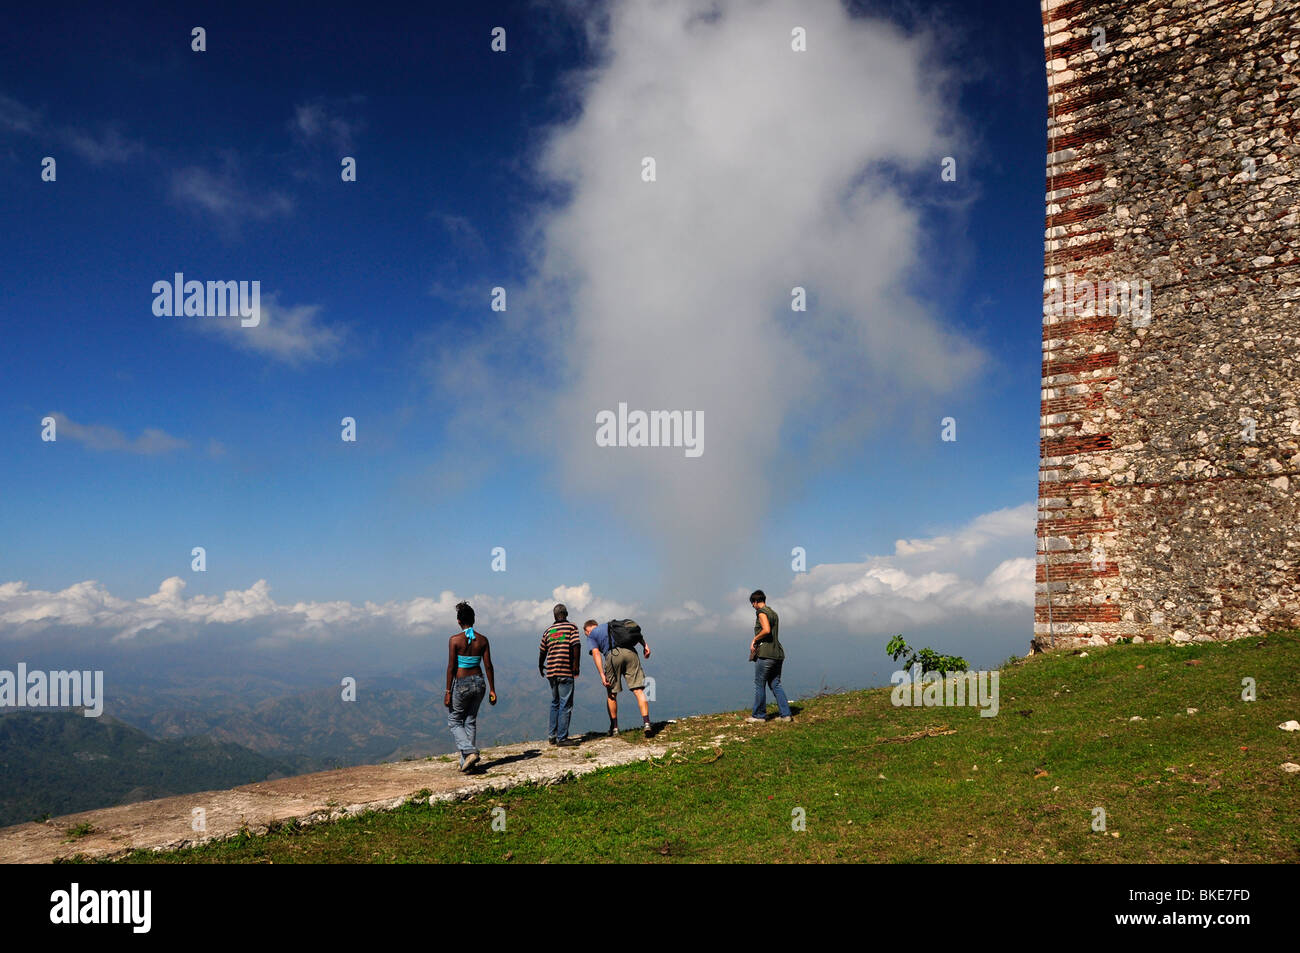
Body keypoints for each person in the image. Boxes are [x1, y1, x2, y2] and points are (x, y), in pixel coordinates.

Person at [444, 601, 496, 771]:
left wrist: (448, 691)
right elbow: (488, 666)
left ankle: (469, 751)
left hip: (462, 683)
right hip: (480, 683)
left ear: (459, 621)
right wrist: (493, 689)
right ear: (474, 620)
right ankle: (466, 763)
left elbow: (451, 667)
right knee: (470, 721)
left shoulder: (455, 640)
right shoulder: (483, 640)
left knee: (454, 720)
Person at [583, 619, 652, 736]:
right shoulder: (613, 626)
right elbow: (632, 631)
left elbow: (596, 654)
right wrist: (645, 645)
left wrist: (601, 674)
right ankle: (647, 723)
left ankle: (615, 728)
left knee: (611, 694)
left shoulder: (592, 635)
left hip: (612, 656)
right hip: (631, 653)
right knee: (638, 690)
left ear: (587, 630)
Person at [539, 603, 581, 747]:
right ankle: (562, 738)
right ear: (566, 614)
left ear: (554, 616)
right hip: (565, 670)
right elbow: (576, 646)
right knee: (566, 704)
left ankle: (552, 735)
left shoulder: (548, 631)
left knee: (555, 702)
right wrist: (576, 666)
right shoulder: (571, 628)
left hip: (551, 671)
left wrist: (540, 665)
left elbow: (542, 651)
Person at [747, 590, 792, 723]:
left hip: (766, 654)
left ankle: (759, 716)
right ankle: (786, 715)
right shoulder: (773, 613)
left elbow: (766, 630)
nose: (753, 606)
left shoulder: (761, 612)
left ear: (755, 602)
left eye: (752, 603)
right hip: (777, 653)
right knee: (775, 684)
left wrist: (755, 639)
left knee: (759, 684)